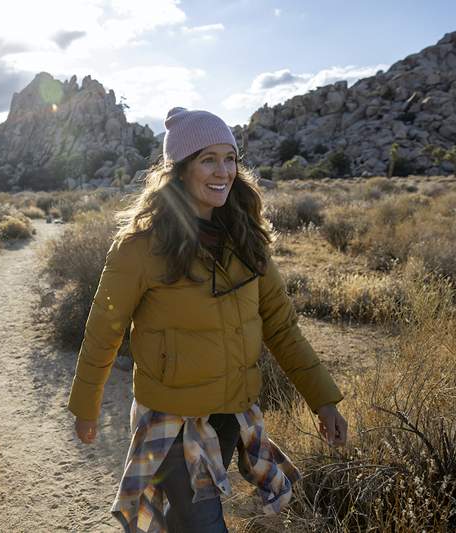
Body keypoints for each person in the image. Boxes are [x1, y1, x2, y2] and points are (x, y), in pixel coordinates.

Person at [68, 107, 347, 532]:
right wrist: (86, 406)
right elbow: (102, 331)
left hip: (232, 413)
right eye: (208, 159)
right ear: (179, 169)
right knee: (203, 524)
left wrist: (323, 399)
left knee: (186, 521)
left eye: (230, 158)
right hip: (171, 419)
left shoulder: (248, 240)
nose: (224, 171)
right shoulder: (140, 248)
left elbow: (281, 327)